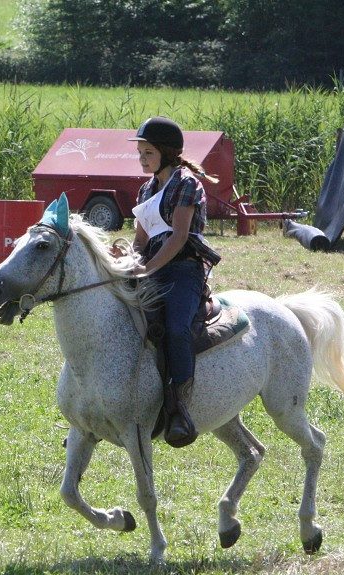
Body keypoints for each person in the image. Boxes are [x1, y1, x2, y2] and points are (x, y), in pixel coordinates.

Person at [127, 116, 220, 448]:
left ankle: (179, 407)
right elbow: (140, 240)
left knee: (178, 329)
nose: (142, 158)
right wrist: (126, 260)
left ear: (165, 152)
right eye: (140, 152)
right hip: (151, 266)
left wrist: (147, 269)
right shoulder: (145, 188)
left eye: (147, 152)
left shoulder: (187, 184)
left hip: (183, 270)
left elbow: (179, 237)